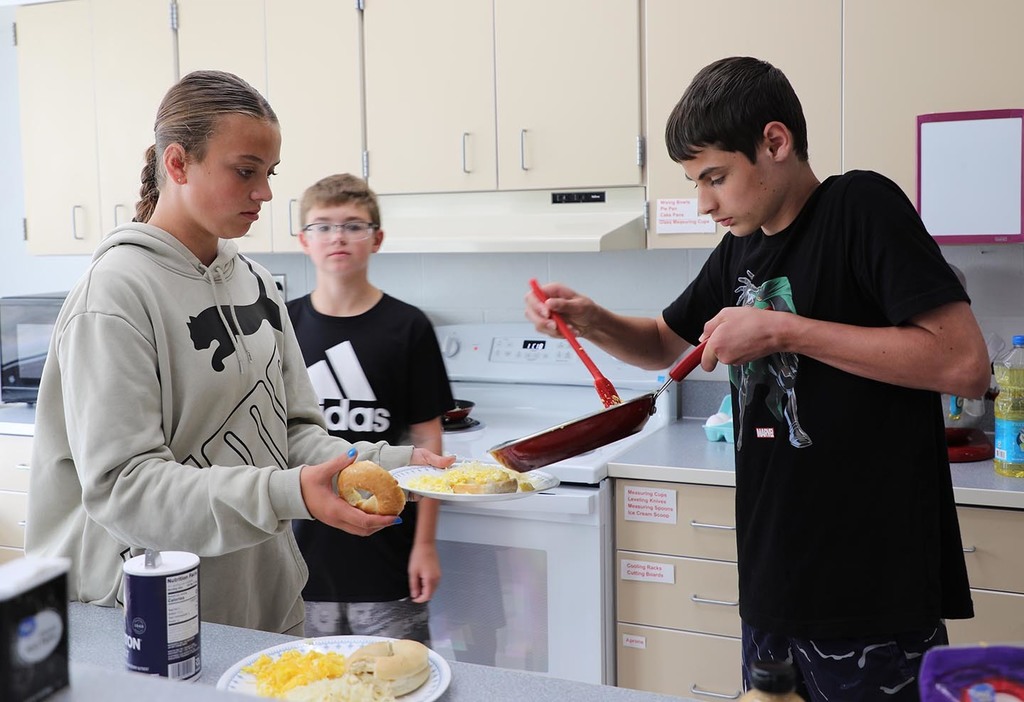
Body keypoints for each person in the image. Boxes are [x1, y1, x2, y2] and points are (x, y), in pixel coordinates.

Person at [525, 57, 991, 701]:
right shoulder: (741, 247)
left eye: (715, 177)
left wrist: (780, 330)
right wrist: (593, 319)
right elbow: (665, 343)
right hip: (773, 585)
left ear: (776, 142)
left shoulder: (860, 207)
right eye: (694, 183)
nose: (704, 203)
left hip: (872, 589)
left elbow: (962, 362)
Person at [23, 70, 452, 635]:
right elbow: (125, 488)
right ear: (177, 164)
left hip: (258, 596)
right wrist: (288, 491)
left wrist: (398, 464)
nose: (266, 193)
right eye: (245, 171)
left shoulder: (256, 284)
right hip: (148, 609)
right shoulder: (115, 294)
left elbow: (291, 434)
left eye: (269, 173)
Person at [287, 173, 455, 643]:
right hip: (299, 555)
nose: (337, 236)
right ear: (303, 240)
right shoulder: (281, 326)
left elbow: (428, 444)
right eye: (322, 225)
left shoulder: (408, 327)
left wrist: (425, 544)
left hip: (387, 550)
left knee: (393, 679)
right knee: (306, 684)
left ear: (377, 239)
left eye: (353, 225)